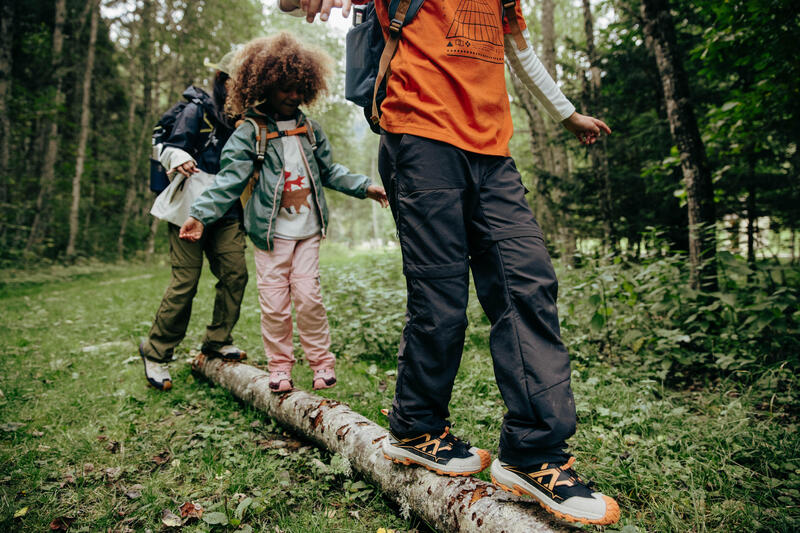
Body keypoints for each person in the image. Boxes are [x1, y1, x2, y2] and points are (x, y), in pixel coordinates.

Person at [290, 0, 620, 525]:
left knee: (528, 283)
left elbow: (518, 51)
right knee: (440, 296)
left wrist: (566, 112)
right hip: (419, 137)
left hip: (492, 152)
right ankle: (418, 427)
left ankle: (532, 453)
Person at [179, 34, 389, 393]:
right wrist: (200, 214)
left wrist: (364, 186)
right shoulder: (251, 132)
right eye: (283, 89)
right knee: (275, 305)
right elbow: (229, 180)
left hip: (307, 230)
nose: (291, 96)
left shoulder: (310, 129)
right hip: (270, 235)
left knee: (308, 298)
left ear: (308, 88)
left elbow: (329, 171)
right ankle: (280, 368)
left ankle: (322, 364)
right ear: (265, 87)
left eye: (298, 89)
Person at [139, 51, 249, 392]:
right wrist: (181, 156)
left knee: (235, 272)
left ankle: (217, 339)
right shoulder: (197, 109)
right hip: (189, 205)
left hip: (228, 209)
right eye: (238, 80)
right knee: (185, 281)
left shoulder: (250, 119)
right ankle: (156, 351)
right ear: (223, 80)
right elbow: (167, 147)